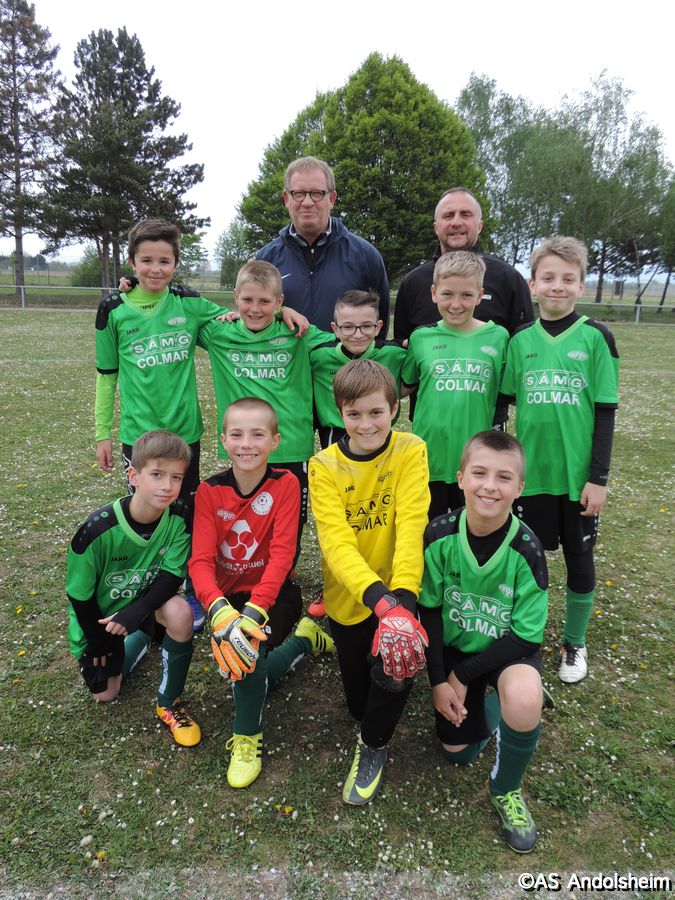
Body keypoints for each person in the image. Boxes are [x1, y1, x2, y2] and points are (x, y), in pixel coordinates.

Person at [189, 397, 334, 788]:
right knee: (250, 671)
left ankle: (246, 739)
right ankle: (304, 641)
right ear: (223, 440)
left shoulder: (287, 484)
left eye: (257, 435)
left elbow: (283, 555)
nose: (246, 444)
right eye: (236, 435)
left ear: (275, 441)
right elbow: (199, 562)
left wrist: (253, 612)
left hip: (273, 597)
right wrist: (219, 609)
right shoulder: (209, 491)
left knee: (247, 655)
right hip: (227, 601)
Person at [418, 431, 549, 853]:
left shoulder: (528, 549)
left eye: (504, 477)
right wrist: (439, 680)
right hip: (456, 649)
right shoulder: (438, 535)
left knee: (525, 696)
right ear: (460, 478)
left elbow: (526, 635)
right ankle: (495, 708)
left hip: (505, 651)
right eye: (479, 473)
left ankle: (506, 789)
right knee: (456, 751)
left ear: (519, 487)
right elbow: (429, 612)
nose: (490, 486)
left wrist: (461, 675)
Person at [308, 359, 430, 805]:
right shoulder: (322, 465)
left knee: (395, 669)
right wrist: (382, 604)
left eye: (376, 412)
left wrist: (403, 603)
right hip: (351, 597)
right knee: (359, 706)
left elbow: (412, 525)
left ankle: (373, 747)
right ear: (339, 412)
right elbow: (336, 544)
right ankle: (309, 640)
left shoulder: (410, 449)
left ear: (394, 409)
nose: (366, 424)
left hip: (398, 592)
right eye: (353, 414)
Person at [499, 236, 619, 684]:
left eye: (568, 279)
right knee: (526, 560)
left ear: (581, 286)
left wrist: (598, 478)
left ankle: (574, 642)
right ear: (532, 284)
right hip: (531, 478)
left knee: (579, 557)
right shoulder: (519, 341)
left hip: (576, 478)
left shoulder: (596, 337)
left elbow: (605, 412)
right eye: (548, 277)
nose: (557, 286)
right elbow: (504, 404)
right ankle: (523, 637)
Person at [95, 219, 224, 631]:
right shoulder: (113, 309)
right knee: (146, 515)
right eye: (147, 260)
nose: (155, 268)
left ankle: (190, 589)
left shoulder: (189, 304)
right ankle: (146, 593)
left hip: (185, 435)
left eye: (164, 261)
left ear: (176, 264)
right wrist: (102, 433)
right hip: (139, 438)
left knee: (186, 515)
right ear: (132, 262)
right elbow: (106, 375)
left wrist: (282, 310)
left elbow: (241, 318)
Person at [66, 430, 201, 746]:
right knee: (106, 694)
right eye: (157, 475)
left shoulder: (180, 517)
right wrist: (99, 641)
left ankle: (169, 702)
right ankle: (142, 636)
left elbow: (172, 576)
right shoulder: (96, 530)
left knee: (181, 613)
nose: (167, 486)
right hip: (103, 618)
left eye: (176, 477)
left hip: (148, 603)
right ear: (133, 476)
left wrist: (138, 610)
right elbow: (79, 596)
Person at [199, 259, 328, 587]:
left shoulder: (297, 332)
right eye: (247, 300)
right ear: (235, 297)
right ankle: (248, 574)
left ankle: (282, 577)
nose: (255, 309)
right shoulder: (219, 333)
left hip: (291, 445)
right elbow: (183, 311)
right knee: (246, 517)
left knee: (289, 521)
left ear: (279, 301)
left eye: (265, 301)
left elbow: (343, 343)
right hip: (245, 447)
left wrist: (289, 315)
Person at [401, 252, 509, 519]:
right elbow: (404, 386)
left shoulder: (498, 338)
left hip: (476, 462)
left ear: (480, 295)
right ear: (434, 293)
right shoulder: (421, 338)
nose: (456, 304)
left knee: (472, 532)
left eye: (466, 295)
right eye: (447, 294)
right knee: (429, 532)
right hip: (429, 460)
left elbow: (510, 392)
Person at [257, 156, 390, 332]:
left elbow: (379, 329)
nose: (307, 202)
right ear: (286, 198)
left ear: (332, 199)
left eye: (317, 193)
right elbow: (254, 316)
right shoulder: (266, 259)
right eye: (298, 193)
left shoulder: (366, 256)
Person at [394, 188, 533, 340]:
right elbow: (403, 346)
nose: (456, 222)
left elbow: (524, 346)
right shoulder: (413, 283)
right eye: (448, 215)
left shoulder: (509, 279)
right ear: (436, 227)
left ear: (480, 226)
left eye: (465, 215)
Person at [310, 289, 407, 449]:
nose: (358, 335)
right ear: (335, 329)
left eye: (366, 326)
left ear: (378, 327)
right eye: (348, 327)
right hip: (335, 435)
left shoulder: (394, 354)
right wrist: (283, 310)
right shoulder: (318, 356)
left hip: (377, 430)